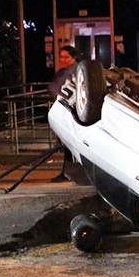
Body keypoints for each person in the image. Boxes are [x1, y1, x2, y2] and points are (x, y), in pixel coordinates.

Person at [48, 45, 79, 183]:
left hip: (71, 111)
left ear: (73, 58)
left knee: (70, 145)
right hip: (63, 110)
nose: (63, 59)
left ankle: (70, 173)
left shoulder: (76, 72)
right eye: (61, 56)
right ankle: (68, 172)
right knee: (67, 145)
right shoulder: (63, 72)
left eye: (66, 57)